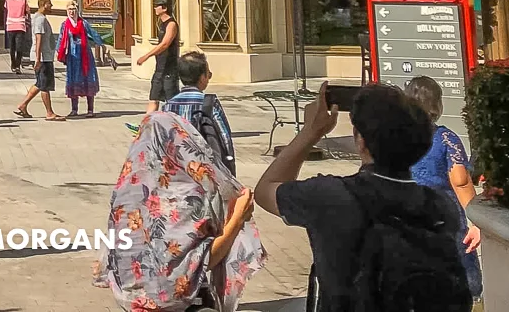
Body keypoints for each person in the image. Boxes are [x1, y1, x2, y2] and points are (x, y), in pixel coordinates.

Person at [255, 83, 473, 312]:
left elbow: (266, 190)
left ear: (360, 141)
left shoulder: (331, 197)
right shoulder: (441, 207)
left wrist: (311, 131)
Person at [101, 110, 262, 312]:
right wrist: (237, 219)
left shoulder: (124, 192)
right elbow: (193, 269)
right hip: (175, 304)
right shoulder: (186, 197)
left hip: (128, 301)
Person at [405, 76, 483, 303]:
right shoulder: (445, 139)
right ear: (437, 105)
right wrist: (477, 222)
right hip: (446, 223)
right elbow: (461, 181)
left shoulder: (395, 139)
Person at [161, 50, 237, 177]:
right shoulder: (209, 103)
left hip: (178, 168)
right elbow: (224, 137)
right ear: (202, 78)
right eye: (208, 74)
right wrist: (229, 164)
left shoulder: (168, 105)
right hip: (204, 168)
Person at [15, 0, 63, 120]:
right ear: (44, 5)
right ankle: (49, 113)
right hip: (43, 57)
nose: (51, 6)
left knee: (40, 83)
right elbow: (38, 38)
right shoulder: (40, 19)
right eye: (50, 3)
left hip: (44, 56)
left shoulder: (39, 18)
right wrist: (38, 58)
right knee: (45, 85)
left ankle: (23, 105)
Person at [56, 2, 102, 116]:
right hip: (73, 57)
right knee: (73, 80)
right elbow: (61, 39)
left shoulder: (84, 23)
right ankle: (74, 109)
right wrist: (60, 53)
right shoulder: (65, 25)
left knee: (88, 79)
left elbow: (94, 34)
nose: (71, 12)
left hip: (85, 56)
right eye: (69, 9)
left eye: (73, 9)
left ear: (77, 10)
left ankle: (90, 110)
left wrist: (102, 44)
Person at [134, 0, 181, 111]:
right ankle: (147, 124)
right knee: (154, 98)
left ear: (164, 8)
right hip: (160, 67)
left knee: (171, 100)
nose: (155, 8)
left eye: (157, 5)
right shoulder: (162, 24)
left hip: (170, 69)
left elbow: (165, 44)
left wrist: (146, 56)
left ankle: (175, 124)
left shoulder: (171, 24)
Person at [4, 0, 30, 72]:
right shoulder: (9, 0)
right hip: (13, 25)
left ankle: (16, 65)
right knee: (14, 47)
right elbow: (27, 12)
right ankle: (14, 64)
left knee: (17, 47)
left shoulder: (23, 1)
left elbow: (27, 12)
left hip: (19, 25)